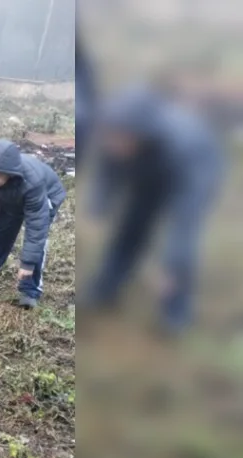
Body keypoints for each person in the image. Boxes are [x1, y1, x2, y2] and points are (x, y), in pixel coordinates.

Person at [83, 83, 225, 335]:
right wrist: (99, 207)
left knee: (181, 249)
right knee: (130, 230)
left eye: (122, 139)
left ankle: (175, 312)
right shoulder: (115, 133)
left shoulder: (182, 146)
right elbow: (107, 172)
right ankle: (104, 290)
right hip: (147, 175)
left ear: (142, 134)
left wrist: (170, 263)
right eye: (111, 137)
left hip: (192, 174)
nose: (114, 145)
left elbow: (185, 220)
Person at [0, 139, 67, 309]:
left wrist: (27, 264)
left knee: (38, 241)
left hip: (46, 195)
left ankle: (30, 290)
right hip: (12, 196)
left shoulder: (32, 183)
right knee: (0, 235)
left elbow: (36, 228)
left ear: (9, 174)